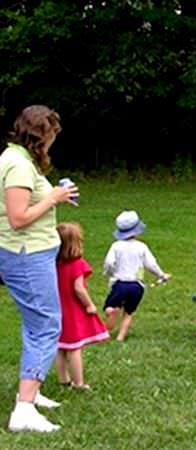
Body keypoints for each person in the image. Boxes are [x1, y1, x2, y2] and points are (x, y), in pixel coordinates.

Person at [0, 105, 78, 432]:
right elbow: (18, 219)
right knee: (46, 325)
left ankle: (31, 390)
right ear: (38, 134)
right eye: (51, 136)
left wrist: (54, 196)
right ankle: (24, 410)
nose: (52, 142)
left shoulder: (19, 158)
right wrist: (54, 198)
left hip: (33, 253)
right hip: (26, 255)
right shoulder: (17, 164)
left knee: (36, 324)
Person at [55, 223, 110, 390]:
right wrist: (89, 305)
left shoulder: (52, 263)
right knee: (74, 347)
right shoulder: (78, 263)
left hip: (56, 309)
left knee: (60, 346)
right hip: (72, 311)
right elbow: (78, 288)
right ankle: (78, 383)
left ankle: (63, 379)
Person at [103, 210, 170, 342]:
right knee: (128, 313)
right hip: (136, 286)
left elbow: (109, 263)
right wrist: (161, 275)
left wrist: (109, 273)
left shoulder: (116, 246)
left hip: (120, 284)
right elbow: (151, 265)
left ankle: (106, 333)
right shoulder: (142, 247)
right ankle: (120, 337)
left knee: (110, 308)